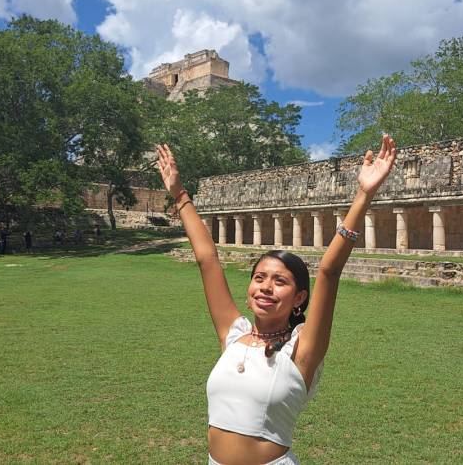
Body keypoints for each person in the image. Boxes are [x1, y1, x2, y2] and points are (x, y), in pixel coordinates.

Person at [156, 135, 397, 465]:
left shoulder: (302, 349)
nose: (266, 287)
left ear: (299, 297)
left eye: (279, 281)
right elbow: (207, 259)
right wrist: (180, 195)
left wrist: (364, 195)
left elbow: (328, 272)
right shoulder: (234, 333)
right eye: (259, 278)